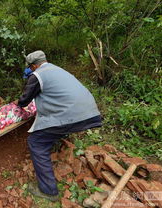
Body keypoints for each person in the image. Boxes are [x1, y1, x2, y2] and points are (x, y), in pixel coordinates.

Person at [15, 50, 102, 202]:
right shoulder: (57, 69)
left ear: (33, 66)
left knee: (36, 143)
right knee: (55, 129)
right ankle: (55, 141)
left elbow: (24, 100)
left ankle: (49, 191)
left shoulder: (37, 75)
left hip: (70, 116)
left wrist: (17, 104)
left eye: (30, 67)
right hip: (90, 112)